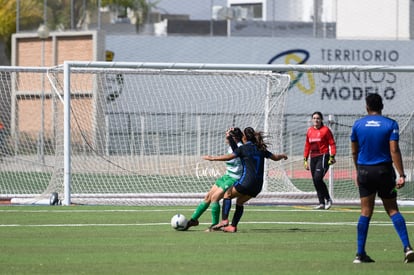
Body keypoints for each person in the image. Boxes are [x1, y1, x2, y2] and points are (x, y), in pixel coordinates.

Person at [350, 93, 414, 264]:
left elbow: (354, 152)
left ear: (366, 107)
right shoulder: (390, 124)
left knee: (365, 212)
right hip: (384, 173)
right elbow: (394, 150)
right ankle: (407, 247)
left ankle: (360, 253)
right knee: (393, 209)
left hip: (364, 172)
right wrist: (401, 174)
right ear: (382, 106)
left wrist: (358, 172)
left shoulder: (357, 125)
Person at [202, 127, 288, 233]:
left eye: (242, 135)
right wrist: (282, 155)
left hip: (247, 182)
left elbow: (229, 157)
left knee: (227, 194)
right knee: (240, 202)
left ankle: (224, 221)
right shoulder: (261, 148)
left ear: (245, 137)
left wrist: (212, 158)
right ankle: (232, 226)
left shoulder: (243, 149)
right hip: (258, 186)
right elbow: (275, 157)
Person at [184, 128, 244, 231]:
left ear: (234, 137)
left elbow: (229, 157)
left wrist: (213, 158)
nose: (226, 137)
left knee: (215, 198)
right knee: (208, 197)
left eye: (228, 135)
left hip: (234, 179)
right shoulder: (232, 146)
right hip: (227, 176)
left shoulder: (240, 147)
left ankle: (215, 225)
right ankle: (194, 220)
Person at [303, 111, 336, 210]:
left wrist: (332, 156)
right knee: (315, 181)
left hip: (323, 156)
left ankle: (328, 199)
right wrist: (305, 159)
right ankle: (321, 203)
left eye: (318, 118)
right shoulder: (309, 131)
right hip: (313, 157)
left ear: (321, 120)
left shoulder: (326, 130)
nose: (316, 120)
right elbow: (307, 146)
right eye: (314, 118)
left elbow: (332, 144)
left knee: (318, 178)